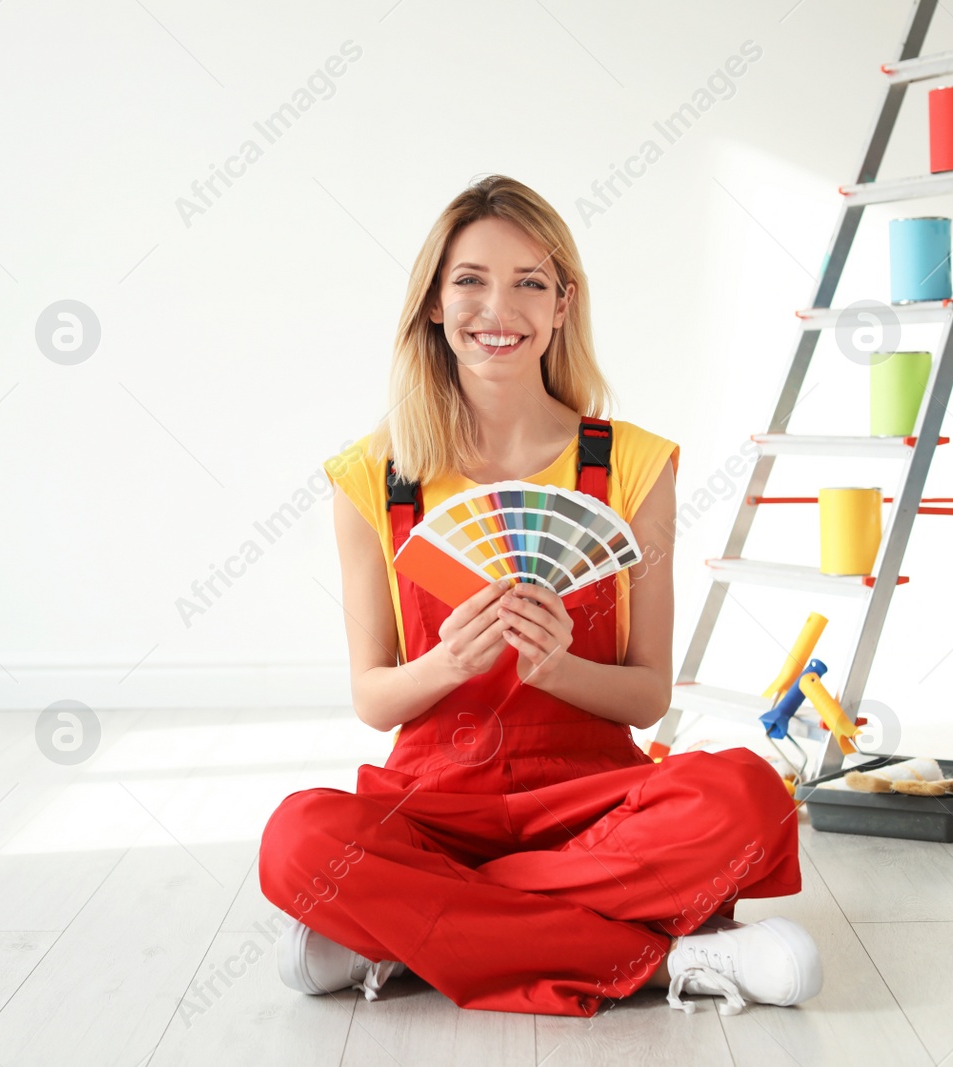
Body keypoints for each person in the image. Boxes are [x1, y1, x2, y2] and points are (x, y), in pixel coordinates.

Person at [258, 175, 822, 1017]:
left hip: (596, 802)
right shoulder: (371, 476)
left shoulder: (632, 464)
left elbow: (647, 694)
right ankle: (668, 961)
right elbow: (375, 699)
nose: (500, 308)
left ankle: (410, 930)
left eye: (531, 282)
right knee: (298, 839)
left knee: (749, 795)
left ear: (563, 305)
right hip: (435, 804)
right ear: (434, 306)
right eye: (471, 280)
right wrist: (450, 661)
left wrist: (557, 668)